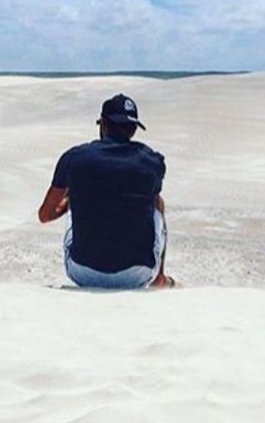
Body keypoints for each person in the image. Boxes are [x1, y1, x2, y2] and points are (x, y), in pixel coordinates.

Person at [38, 94, 174, 289]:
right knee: (157, 202)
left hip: (82, 272)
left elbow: (45, 215)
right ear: (134, 129)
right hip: (138, 275)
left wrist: (71, 200)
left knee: (78, 198)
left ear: (103, 124)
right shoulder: (152, 162)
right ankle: (159, 278)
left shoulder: (74, 158)